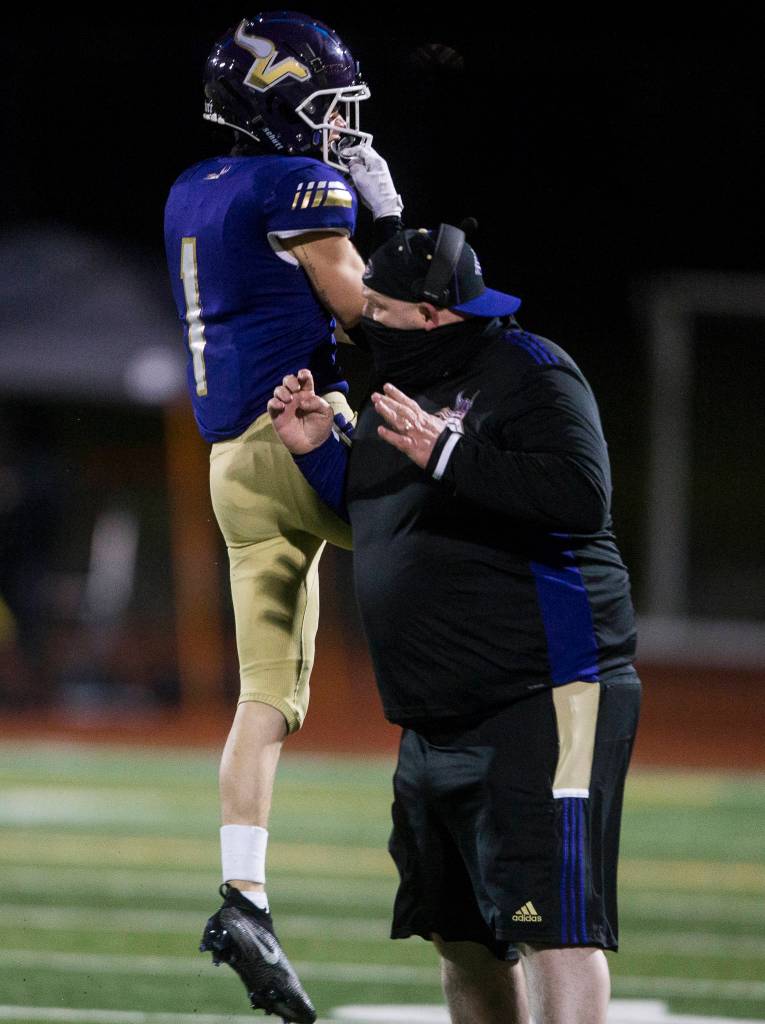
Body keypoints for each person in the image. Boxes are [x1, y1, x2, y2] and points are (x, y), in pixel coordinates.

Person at [268, 224, 641, 1024]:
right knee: (461, 935)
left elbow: (581, 496)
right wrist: (319, 457)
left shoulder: (528, 369)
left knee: (554, 928)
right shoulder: (400, 390)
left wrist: (450, 454)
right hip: (436, 711)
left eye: (378, 306)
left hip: (542, 690)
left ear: (433, 315)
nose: (359, 320)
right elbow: (396, 520)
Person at [163, 12, 402, 1022]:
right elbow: (366, 307)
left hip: (232, 467)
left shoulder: (195, 187)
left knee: (267, 697)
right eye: (325, 108)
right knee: (455, 528)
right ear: (276, 107)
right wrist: (393, 226)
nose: (341, 128)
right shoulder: (291, 187)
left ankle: (245, 894)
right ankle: (492, 789)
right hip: (307, 435)